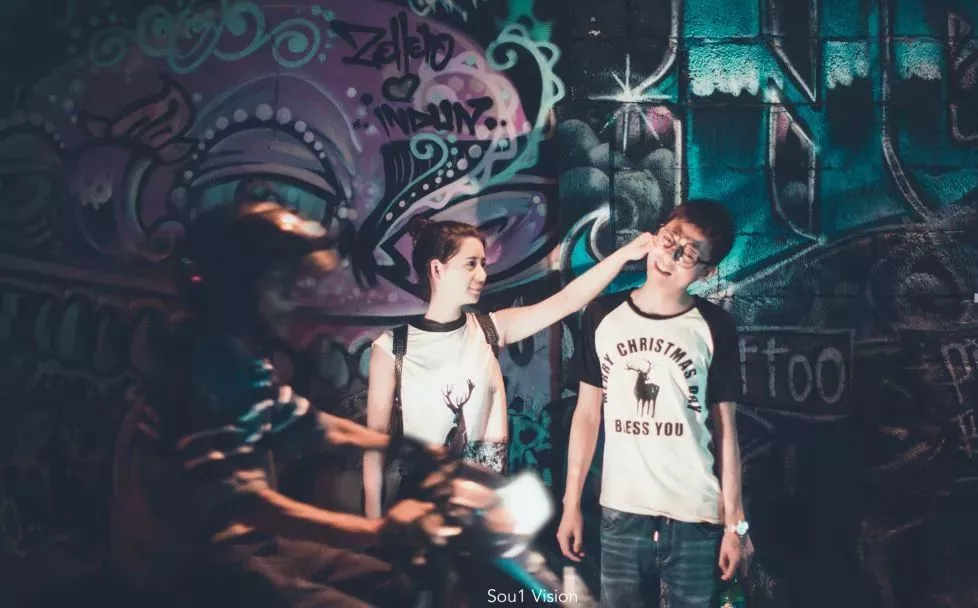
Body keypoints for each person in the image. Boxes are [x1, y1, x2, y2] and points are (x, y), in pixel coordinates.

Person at [108, 201, 441, 607]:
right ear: (236, 288)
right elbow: (250, 504)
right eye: (279, 287)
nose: (290, 302)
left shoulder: (240, 362)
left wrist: (407, 448)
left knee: (395, 585)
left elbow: (313, 425)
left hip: (246, 544)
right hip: (194, 567)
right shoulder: (202, 377)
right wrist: (377, 531)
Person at [363, 216, 655, 519]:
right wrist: (372, 522)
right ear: (438, 269)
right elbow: (374, 442)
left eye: (483, 264)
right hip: (419, 513)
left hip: (484, 512)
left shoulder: (490, 330)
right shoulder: (393, 347)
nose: (481, 274)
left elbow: (568, 300)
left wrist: (625, 254)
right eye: (470, 264)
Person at [556, 200, 755, 608]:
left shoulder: (715, 326)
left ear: (707, 272)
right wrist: (571, 503)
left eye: (689, 254)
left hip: (697, 515)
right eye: (670, 240)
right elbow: (587, 415)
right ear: (656, 236)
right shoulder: (602, 314)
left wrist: (735, 525)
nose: (671, 257)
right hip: (621, 513)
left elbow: (726, 431)